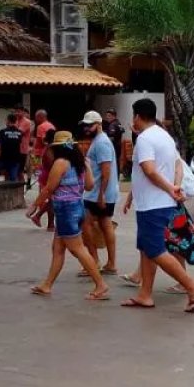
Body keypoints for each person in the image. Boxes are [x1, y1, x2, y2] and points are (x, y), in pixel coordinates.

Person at [120, 98, 194, 313]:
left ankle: (192, 286)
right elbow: (174, 166)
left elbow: (150, 171)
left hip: (153, 204)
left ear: (137, 116)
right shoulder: (165, 137)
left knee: (155, 250)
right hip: (160, 202)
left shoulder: (144, 139)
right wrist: (173, 187)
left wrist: (170, 188)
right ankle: (145, 295)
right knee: (146, 249)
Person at [27, 131, 110, 300]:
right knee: (58, 249)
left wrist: (34, 206)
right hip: (77, 207)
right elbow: (89, 186)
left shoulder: (61, 163)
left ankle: (100, 284)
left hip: (65, 210)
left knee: (77, 249)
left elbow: (49, 188)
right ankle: (47, 285)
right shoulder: (81, 163)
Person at [80, 111, 120, 275]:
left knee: (85, 224)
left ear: (99, 124)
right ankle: (109, 263)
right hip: (101, 192)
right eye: (85, 125)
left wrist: (101, 194)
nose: (87, 128)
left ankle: (94, 261)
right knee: (105, 224)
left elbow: (106, 171)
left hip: (98, 193)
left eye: (90, 125)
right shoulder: (100, 141)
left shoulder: (101, 143)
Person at [0, 114, 25, 182]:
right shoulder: (20, 132)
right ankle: (13, 191)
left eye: (6, 120)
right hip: (15, 160)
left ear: (8, 121)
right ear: (15, 121)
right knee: (13, 179)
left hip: (3, 159)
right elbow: (21, 145)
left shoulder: (2, 131)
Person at [102, 109, 126, 178]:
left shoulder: (112, 124)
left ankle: (114, 177)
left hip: (114, 147)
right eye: (106, 116)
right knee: (116, 162)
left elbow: (111, 136)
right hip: (118, 146)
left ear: (114, 116)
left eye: (109, 116)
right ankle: (116, 177)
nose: (107, 117)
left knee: (113, 163)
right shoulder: (118, 123)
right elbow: (122, 131)